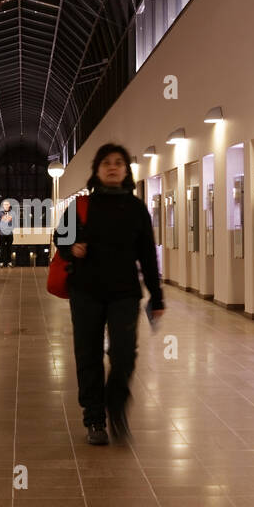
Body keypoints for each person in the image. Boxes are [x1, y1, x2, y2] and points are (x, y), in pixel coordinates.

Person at [57, 143, 164, 445]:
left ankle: (116, 406)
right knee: (88, 353)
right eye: (106, 163)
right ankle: (94, 418)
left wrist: (157, 297)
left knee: (124, 353)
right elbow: (60, 238)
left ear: (127, 171)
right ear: (97, 170)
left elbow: (147, 255)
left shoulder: (136, 209)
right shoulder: (82, 206)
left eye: (119, 162)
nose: (113, 167)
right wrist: (71, 247)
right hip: (86, 291)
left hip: (124, 293)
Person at [0, 201, 15, 267]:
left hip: (9, 234)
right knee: (2, 248)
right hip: (2, 234)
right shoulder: (0, 213)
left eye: (7, 205)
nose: (6, 206)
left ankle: (9, 262)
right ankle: (2, 262)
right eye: (5, 205)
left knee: (9, 248)